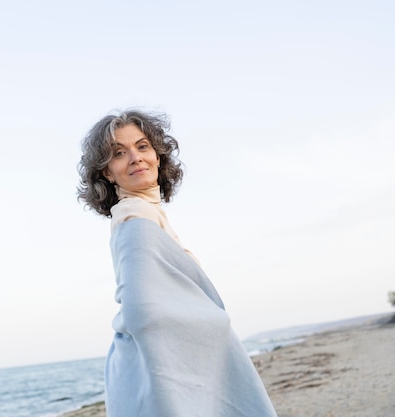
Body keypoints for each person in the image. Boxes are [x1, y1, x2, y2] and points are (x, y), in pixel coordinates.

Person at [77, 109, 277, 417]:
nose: (135, 157)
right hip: (160, 371)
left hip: (154, 366)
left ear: (158, 156)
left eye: (142, 146)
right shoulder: (135, 217)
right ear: (106, 171)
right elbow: (140, 312)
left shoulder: (146, 213)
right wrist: (215, 323)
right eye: (119, 153)